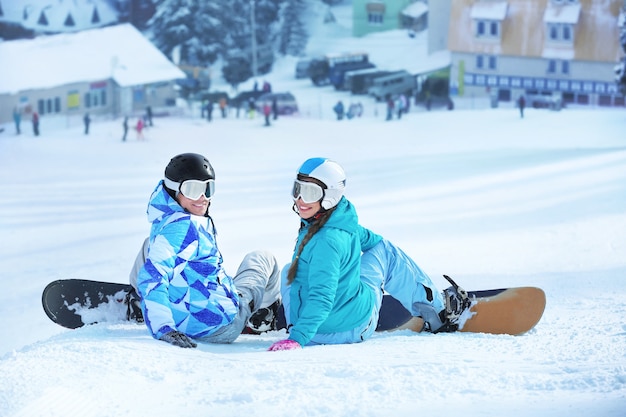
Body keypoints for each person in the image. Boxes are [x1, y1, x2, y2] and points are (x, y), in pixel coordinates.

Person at [267, 158, 470, 351]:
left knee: (289, 271)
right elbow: (323, 296)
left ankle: (306, 322)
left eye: (310, 192)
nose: (300, 199)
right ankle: (440, 312)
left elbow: (364, 241)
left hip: (306, 329)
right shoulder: (331, 233)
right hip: (347, 331)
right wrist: (297, 340)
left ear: (330, 196)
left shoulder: (325, 231)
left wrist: (298, 333)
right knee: (386, 251)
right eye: (297, 189)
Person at [128, 153, 281, 348]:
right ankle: (262, 316)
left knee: (150, 244)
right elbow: (151, 277)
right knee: (262, 258)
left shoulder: (165, 218)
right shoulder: (188, 227)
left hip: (182, 320)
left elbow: (154, 269)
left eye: (208, 189)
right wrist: (163, 328)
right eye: (193, 189)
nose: (202, 198)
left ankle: (139, 300)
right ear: (174, 190)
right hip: (221, 326)